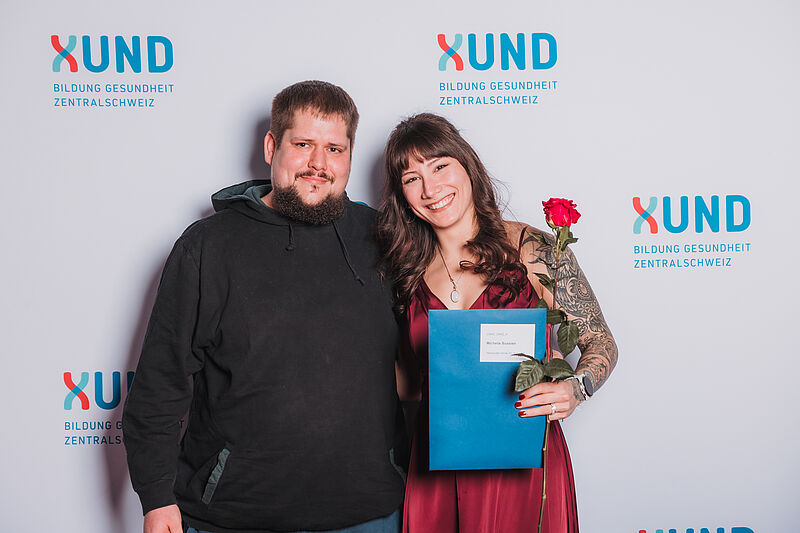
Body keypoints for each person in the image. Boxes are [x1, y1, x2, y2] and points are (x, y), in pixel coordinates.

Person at [122, 81, 405, 533]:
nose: (319, 163)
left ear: (350, 155)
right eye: (303, 144)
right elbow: (160, 382)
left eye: (334, 149)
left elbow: (452, 306)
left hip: (368, 516)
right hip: (233, 517)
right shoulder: (208, 246)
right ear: (272, 147)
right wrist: (156, 499)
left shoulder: (384, 239)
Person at [376, 113, 618, 533]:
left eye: (440, 166)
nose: (430, 189)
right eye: (412, 178)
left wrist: (574, 389)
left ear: (467, 166)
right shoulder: (405, 272)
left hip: (523, 467)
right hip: (436, 468)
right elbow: (406, 382)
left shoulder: (531, 248)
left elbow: (601, 341)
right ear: (402, 195)